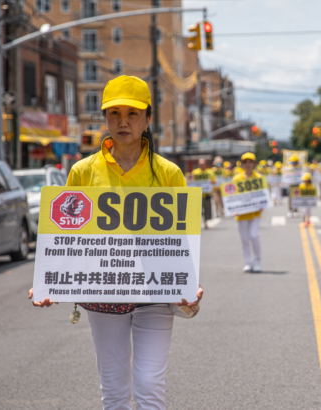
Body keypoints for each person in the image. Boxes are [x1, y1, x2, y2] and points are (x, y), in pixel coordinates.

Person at [28, 75, 204, 410]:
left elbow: (183, 240)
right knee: (115, 391)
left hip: (155, 293)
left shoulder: (168, 173)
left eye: (133, 114)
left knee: (150, 383)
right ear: (104, 118)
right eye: (113, 114)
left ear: (148, 119)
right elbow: (67, 238)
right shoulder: (82, 171)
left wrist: (191, 282)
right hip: (103, 295)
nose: (122, 122)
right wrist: (48, 282)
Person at [234, 152, 263, 273]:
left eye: (250, 162)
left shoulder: (259, 178)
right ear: (242, 164)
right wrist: (233, 208)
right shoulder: (237, 178)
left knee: (253, 235)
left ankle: (257, 262)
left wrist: (262, 204)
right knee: (244, 239)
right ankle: (248, 263)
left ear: (254, 164)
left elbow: (263, 194)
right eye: (245, 162)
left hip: (255, 213)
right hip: (241, 214)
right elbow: (232, 196)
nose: (248, 164)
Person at [193, 158, 216, 229]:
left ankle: (205, 222)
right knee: (198, 210)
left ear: (205, 164)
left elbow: (214, 181)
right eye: (200, 164)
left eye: (203, 164)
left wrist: (209, 182)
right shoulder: (195, 172)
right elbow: (191, 181)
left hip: (206, 194)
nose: (202, 165)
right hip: (198, 194)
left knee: (206, 209)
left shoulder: (210, 172)